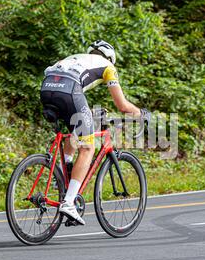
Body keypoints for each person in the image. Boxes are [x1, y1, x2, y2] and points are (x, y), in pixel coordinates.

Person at [40, 40, 147, 225]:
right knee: (88, 148)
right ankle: (69, 202)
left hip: (47, 87)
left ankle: (63, 174)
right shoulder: (108, 66)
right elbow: (122, 105)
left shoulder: (75, 58)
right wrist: (141, 114)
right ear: (110, 58)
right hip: (70, 89)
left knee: (77, 130)